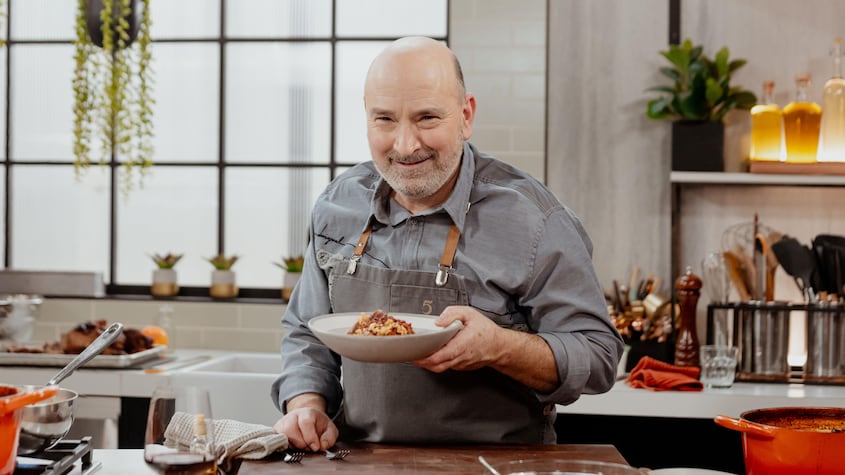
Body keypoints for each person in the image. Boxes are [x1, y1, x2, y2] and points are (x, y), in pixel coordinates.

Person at [271, 36, 623, 451]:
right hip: (361, 460)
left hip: (497, 464)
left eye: (426, 118)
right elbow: (308, 332)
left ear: (465, 115)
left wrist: (501, 347)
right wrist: (307, 404)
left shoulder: (535, 219)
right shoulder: (337, 203)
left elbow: (598, 357)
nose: (405, 145)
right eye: (384, 119)